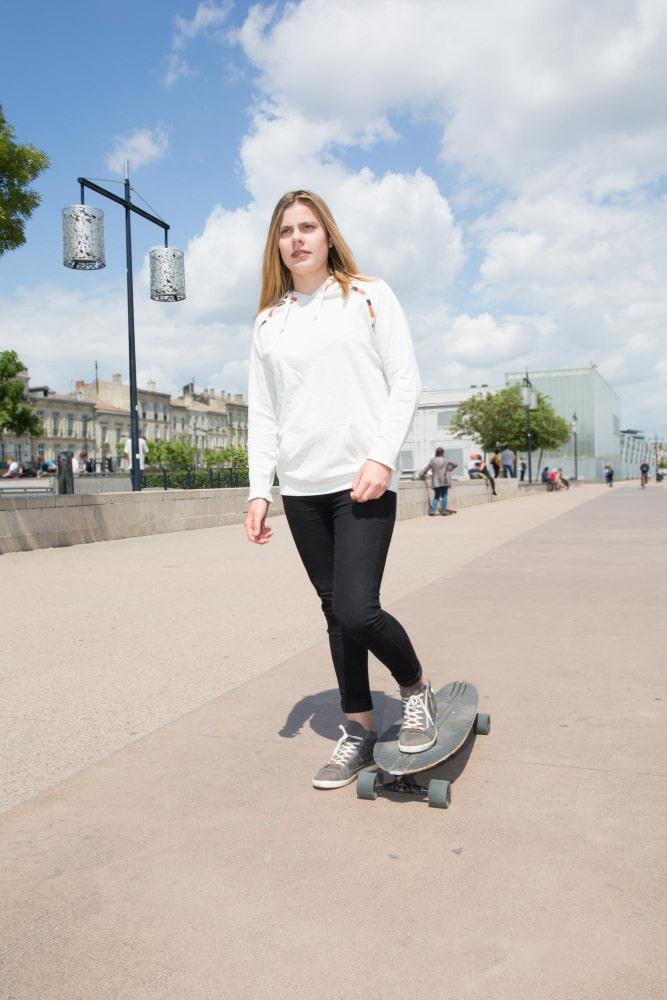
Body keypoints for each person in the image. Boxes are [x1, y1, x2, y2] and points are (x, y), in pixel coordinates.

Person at [244, 189, 436, 791]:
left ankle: (414, 690)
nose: (296, 238)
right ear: (276, 245)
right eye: (285, 231)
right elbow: (263, 415)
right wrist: (260, 490)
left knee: (358, 608)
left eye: (307, 227)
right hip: (301, 489)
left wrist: (382, 457)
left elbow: (404, 381)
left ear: (327, 235)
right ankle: (357, 728)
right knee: (334, 614)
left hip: (362, 479)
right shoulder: (268, 323)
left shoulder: (370, 296)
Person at [420, 448, 457, 515]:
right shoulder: (446, 460)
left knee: (436, 496)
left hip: (436, 480)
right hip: (445, 480)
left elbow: (426, 468)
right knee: (444, 495)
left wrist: (422, 474)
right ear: (443, 452)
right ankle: (443, 511)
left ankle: (433, 511)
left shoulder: (432, 460)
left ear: (436, 452)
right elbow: (455, 464)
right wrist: (450, 469)